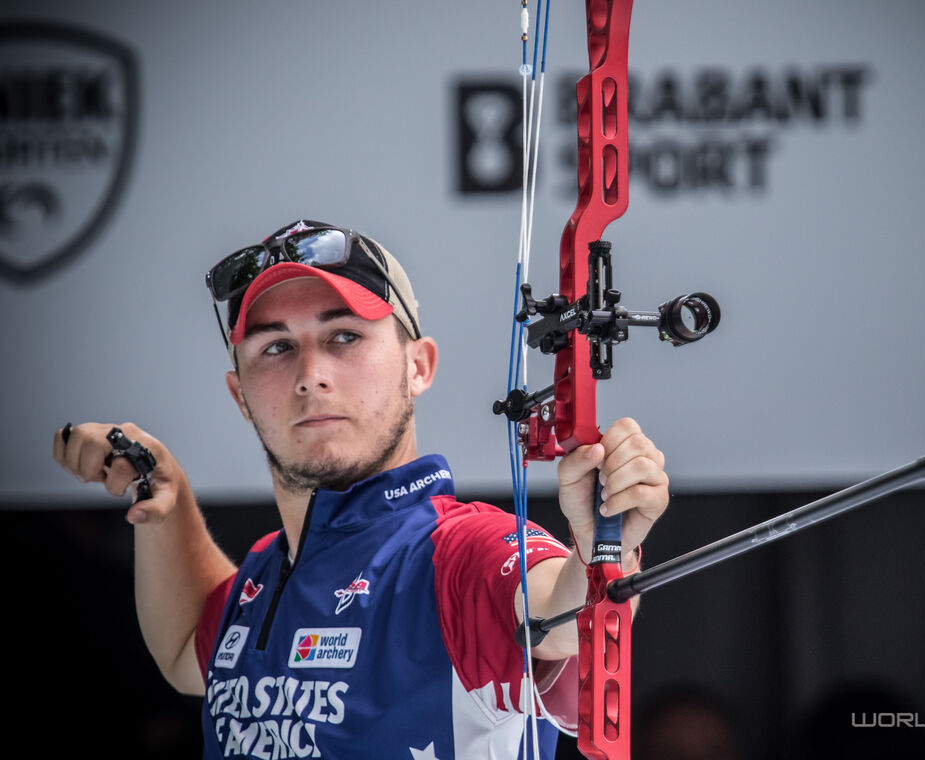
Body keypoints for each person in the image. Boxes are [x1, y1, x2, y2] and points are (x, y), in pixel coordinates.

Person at [52, 220, 670, 759]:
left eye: (344, 336)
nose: (310, 375)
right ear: (241, 395)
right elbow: (186, 647)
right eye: (276, 347)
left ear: (418, 366)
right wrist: (166, 487)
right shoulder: (266, 574)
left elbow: (563, 618)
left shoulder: (461, 552)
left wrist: (603, 545)